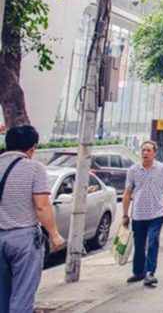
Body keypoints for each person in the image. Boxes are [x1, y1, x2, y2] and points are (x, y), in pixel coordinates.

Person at [0, 125, 65, 313]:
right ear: (32, 148)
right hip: (23, 239)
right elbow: (42, 205)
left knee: (2, 296)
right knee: (22, 296)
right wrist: (54, 235)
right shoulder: (34, 168)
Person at [122, 140, 163, 287]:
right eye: (143, 150)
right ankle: (138, 271)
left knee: (152, 242)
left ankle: (150, 272)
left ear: (155, 153)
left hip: (156, 213)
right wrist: (125, 214)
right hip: (138, 214)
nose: (145, 153)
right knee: (139, 244)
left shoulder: (162, 169)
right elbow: (127, 192)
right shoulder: (133, 170)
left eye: (148, 150)